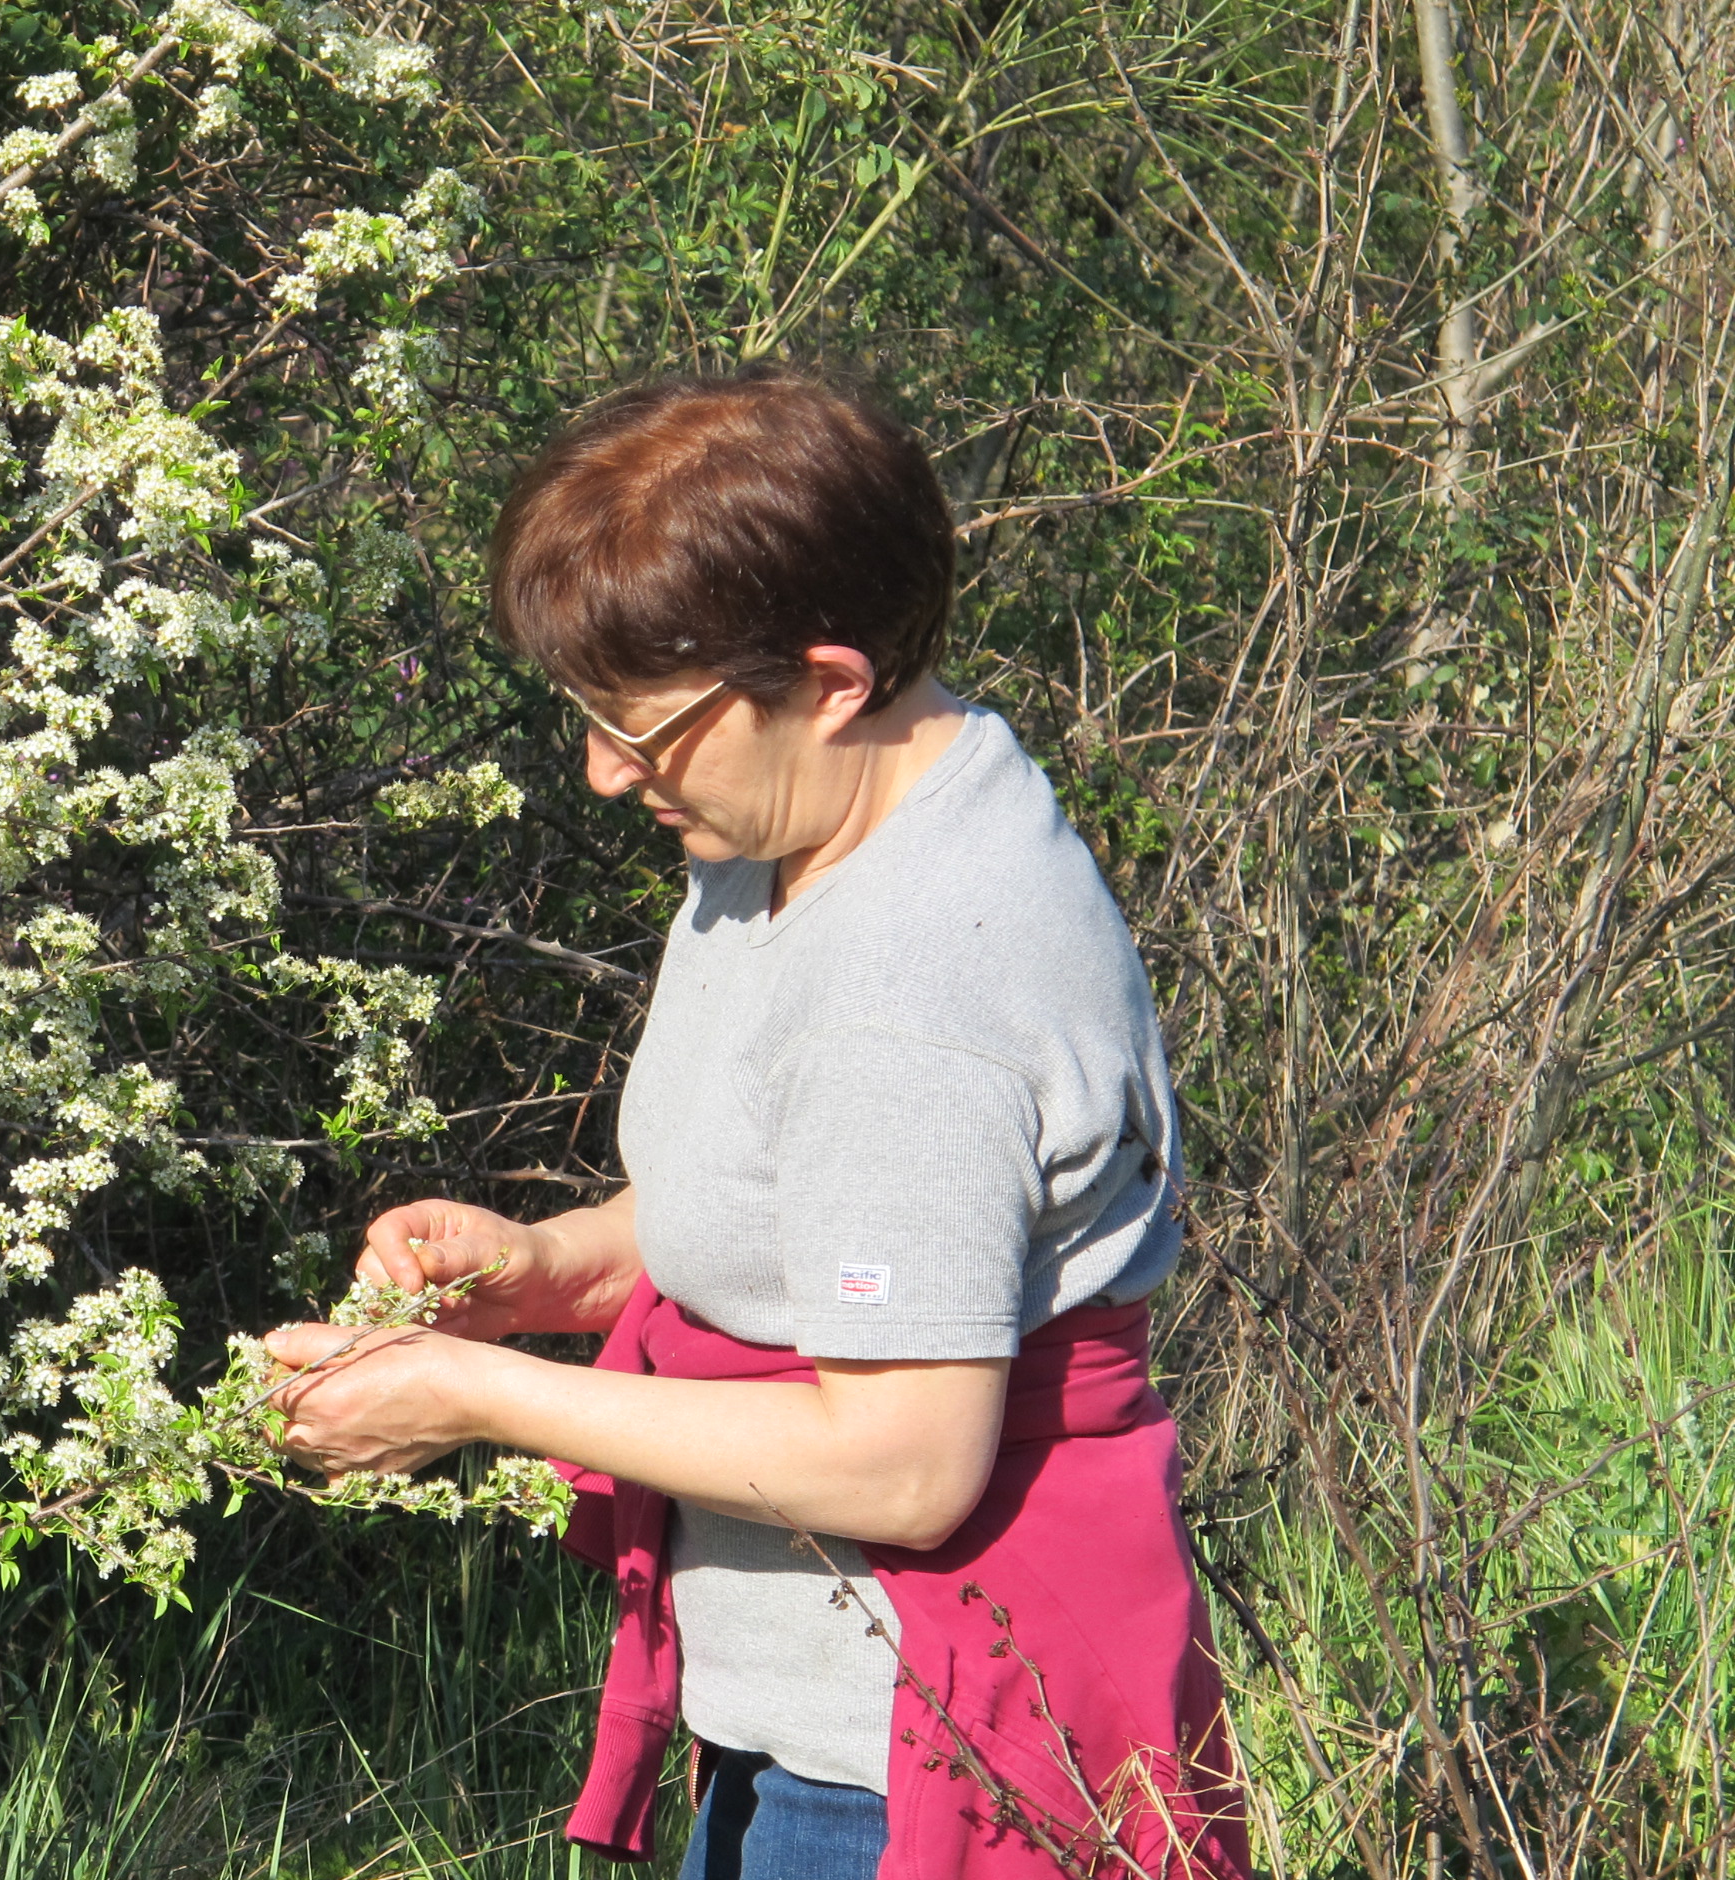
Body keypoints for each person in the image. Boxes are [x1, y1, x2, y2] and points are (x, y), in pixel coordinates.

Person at [261, 370, 1248, 1880]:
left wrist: (469, 1394)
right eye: (584, 713)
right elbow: (797, 1220)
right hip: (789, 1723)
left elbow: (902, 1461)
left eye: (640, 725)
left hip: (913, 1765)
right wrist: (540, 1269)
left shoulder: (918, 985)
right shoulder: (796, 827)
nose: (603, 768)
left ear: (832, 679)